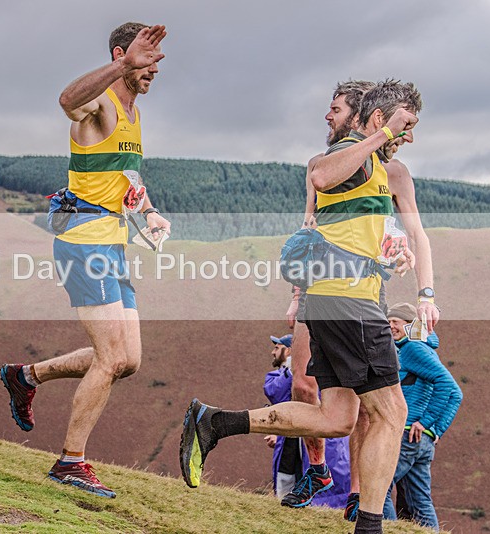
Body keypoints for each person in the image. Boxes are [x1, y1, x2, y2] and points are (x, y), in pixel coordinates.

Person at [180, 80, 423, 534]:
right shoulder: (351, 152)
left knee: (336, 419)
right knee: (393, 412)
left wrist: (393, 252)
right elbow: (320, 177)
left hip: (336, 297)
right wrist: (384, 134)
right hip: (348, 299)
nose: (406, 134)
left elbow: (339, 227)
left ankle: (213, 421)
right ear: (373, 118)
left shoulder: (371, 165)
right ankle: (369, 525)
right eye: (403, 124)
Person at [0, 22, 170, 499]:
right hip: (83, 242)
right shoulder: (99, 107)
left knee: (127, 360)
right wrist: (121, 66)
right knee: (111, 356)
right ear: (122, 54)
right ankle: (70, 462)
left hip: (112, 244)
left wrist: (150, 213)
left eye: (159, 60)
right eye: (147, 58)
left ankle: (25, 376)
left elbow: (125, 177)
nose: (155, 68)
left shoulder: (134, 116)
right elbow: (66, 100)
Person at [285, 80, 439, 522]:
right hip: (320, 286)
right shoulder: (323, 163)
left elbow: (408, 233)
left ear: (358, 115)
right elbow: (309, 229)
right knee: (307, 387)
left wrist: (420, 284)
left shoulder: (393, 172)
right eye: (404, 125)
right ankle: (317, 471)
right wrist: (297, 292)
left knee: (373, 406)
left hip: (366, 291)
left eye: (335, 109)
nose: (328, 116)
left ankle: (361, 498)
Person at [382, 303, 462, 531]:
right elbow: (455, 395)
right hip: (422, 441)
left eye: (395, 322)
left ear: (410, 325)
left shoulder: (411, 349)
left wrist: (427, 423)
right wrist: (435, 430)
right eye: (388, 322)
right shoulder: (424, 348)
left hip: (408, 434)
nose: (390, 326)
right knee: (420, 501)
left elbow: (449, 386)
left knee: (380, 486)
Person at [263, 334, 351, 507]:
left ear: (289, 350)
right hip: (290, 446)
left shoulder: (325, 371)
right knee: (287, 491)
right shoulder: (279, 374)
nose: (273, 352)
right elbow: (275, 393)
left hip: (326, 443)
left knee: (329, 494)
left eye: (277, 347)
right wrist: (293, 371)